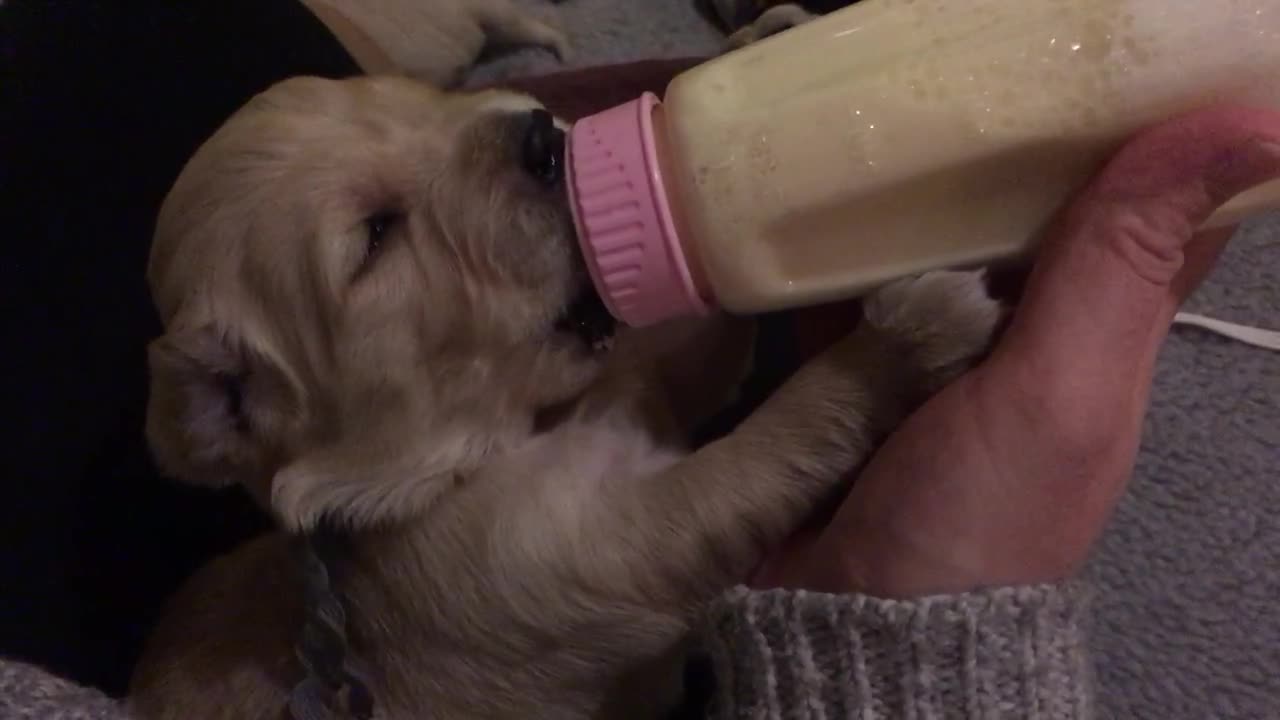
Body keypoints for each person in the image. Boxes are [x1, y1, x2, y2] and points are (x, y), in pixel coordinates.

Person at [3, 105, 1277, 720]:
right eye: (379, 234)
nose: (505, 143)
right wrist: (880, 364)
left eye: (424, 118)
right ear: (233, 420)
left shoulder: (494, 408)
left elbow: (678, 384)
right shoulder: (443, 552)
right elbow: (687, 532)